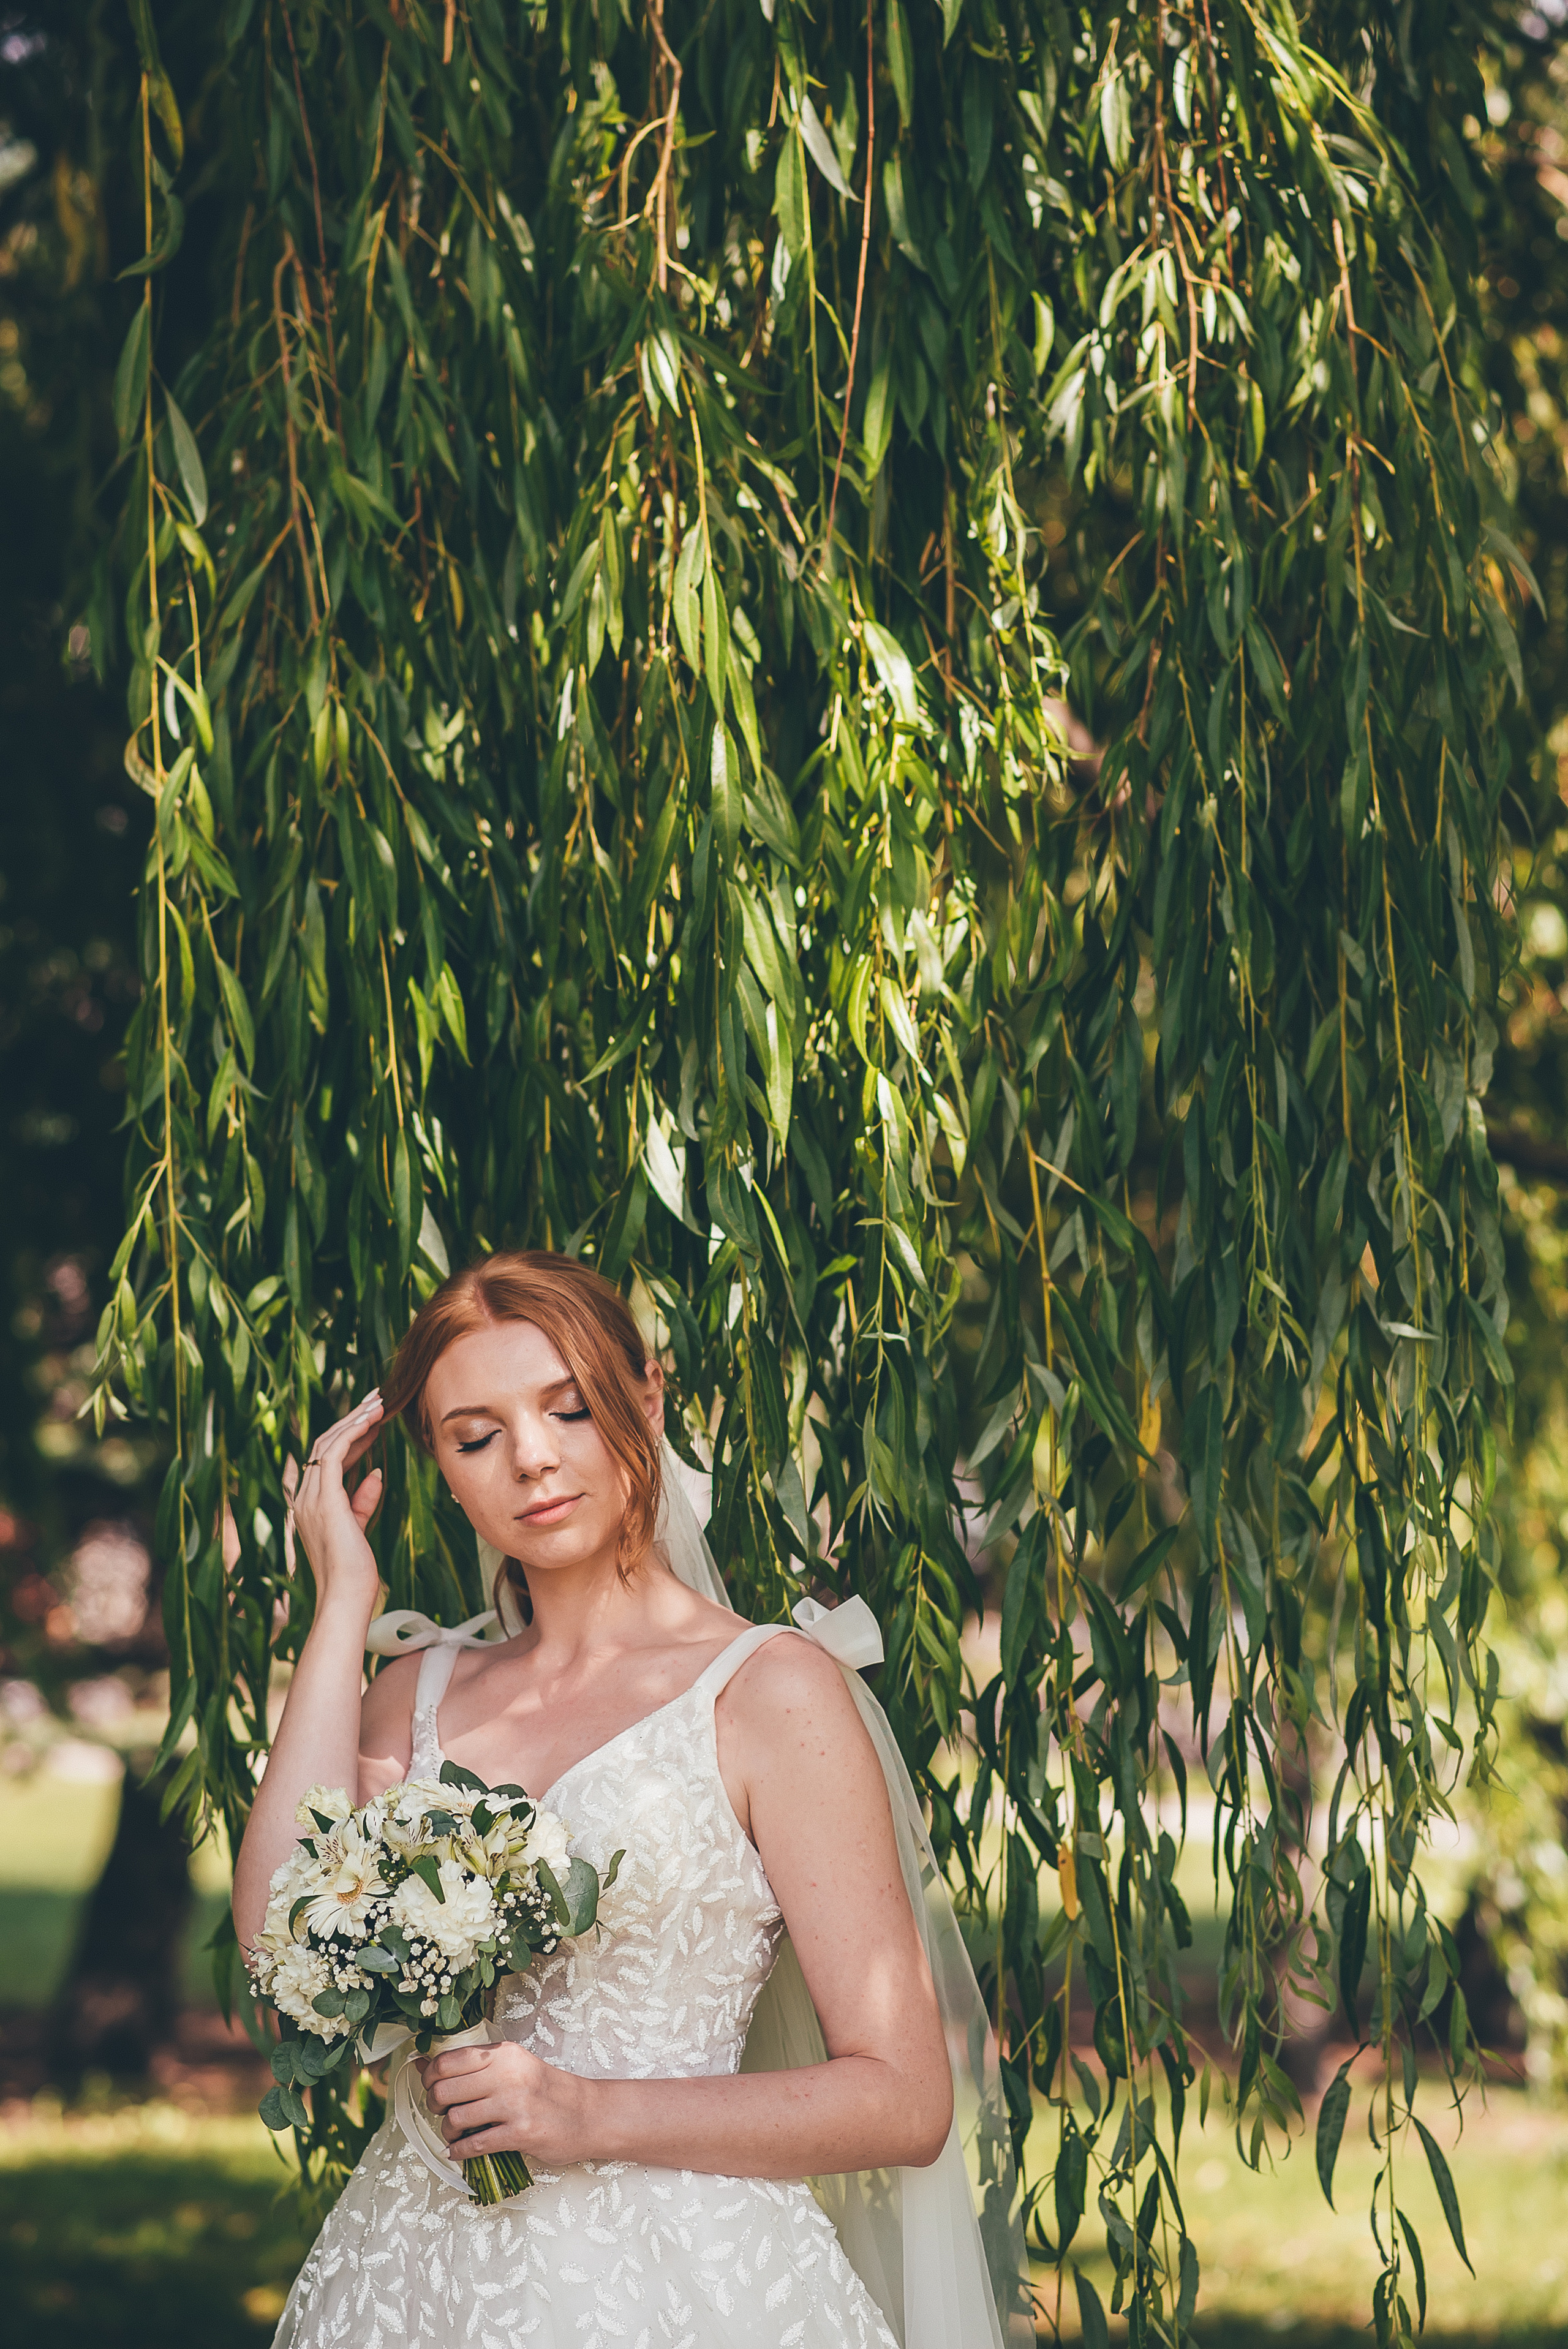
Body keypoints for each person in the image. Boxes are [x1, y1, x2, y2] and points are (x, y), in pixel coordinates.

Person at [232, 1250, 1020, 2349]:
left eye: (570, 1407)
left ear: (645, 1399)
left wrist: (586, 2114)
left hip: (687, 2284)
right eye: (477, 1435)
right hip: (413, 2284)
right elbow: (279, 1946)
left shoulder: (769, 1694)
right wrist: (340, 1605)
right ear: (442, 1467)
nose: (535, 1461)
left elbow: (903, 2099)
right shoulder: (414, 1693)